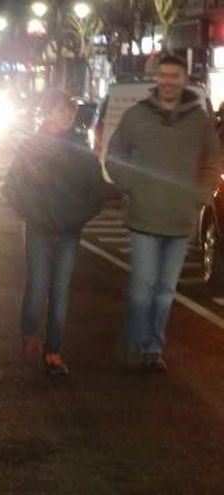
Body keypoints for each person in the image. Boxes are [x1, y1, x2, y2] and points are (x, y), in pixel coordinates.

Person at [106, 55, 221, 372]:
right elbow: (114, 156)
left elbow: (213, 162)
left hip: (179, 221)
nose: (168, 81)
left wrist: (200, 196)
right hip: (144, 217)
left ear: (185, 79)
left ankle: (153, 348)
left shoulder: (199, 121)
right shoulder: (136, 115)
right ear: (157, 78)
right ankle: (136, 345)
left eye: (174, 75)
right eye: (163, 75)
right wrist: (133, 185)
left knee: (165, 291)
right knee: (142, 288)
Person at [2, 90, 104, 375]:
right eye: (60, 111)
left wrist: (77, 217)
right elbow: (12, 187)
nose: (66, 117)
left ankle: (54, 352)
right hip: (39, 230)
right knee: (38, 286)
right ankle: (30, 334)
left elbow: (96, 191)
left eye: (69, 112)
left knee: (60, 292)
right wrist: (33, 213)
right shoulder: (31, 147)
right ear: (47, 113)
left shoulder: (81, 149)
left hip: (68, 232)